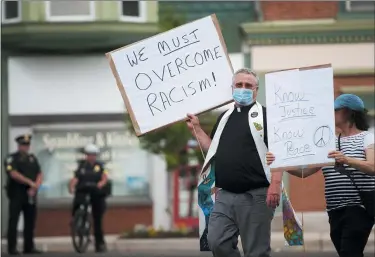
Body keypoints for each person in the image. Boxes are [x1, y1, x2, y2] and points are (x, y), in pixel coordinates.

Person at [187, 68, 283, 257]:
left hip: (256, 195)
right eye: (239, 85)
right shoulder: (224, 117)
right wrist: (196, 129)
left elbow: (279, 152)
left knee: (256, 251)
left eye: (248, 85)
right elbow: (212, 150)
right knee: (216, 241)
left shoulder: (266, 116)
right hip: (225, 195)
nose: (243, 89)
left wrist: (276, 184)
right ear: (232, 88)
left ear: (256, 90)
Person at [267, 94, 375, 257]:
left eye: (334, 110)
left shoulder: (366, 138)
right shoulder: (328, 142)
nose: (330, 114)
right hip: (334, 209)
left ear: (347, 112)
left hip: (358, 207)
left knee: (349, 251)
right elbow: (305, 173)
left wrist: (347, 160)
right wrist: (279, 162)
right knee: (344, 251)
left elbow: (372, 167)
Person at [4, 134, 43, 255]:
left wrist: (36, 186)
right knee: (14, 220)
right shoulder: (12, 158)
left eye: (27, 145)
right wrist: (30, 183)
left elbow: (39, 173)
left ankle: (29, 246)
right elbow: (14, 174)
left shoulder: (32, 158)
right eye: (23, 145)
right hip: (17, 193)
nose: (25, 147)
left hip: (31, 194)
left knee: (30, 221)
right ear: (19, 146)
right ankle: (12, 247)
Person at [69, 143, 109, 253]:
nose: (91, 157)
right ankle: (76, 220)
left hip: (95, 192)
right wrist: (72, 186)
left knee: (97, 219)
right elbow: (75, 178)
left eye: (93, 155)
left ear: (96, 155)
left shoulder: (100, 166)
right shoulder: (81, 166)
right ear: (86, 156)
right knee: (77, 202)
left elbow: (104, 178)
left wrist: (101, 184)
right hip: (83, 190)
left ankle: (99, 243)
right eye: (89, 155)